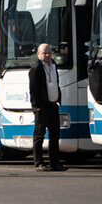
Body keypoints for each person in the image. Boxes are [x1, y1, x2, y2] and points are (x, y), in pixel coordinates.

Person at [29, 43, 67, 171]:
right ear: (38, 54)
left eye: (49, 53)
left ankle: (54, 162)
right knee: (39, 135)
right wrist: (36, 106)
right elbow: (33, 90)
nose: (47, 55)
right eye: (44, 53)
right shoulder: (36, 68)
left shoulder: (53, 65)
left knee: (55, 134)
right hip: (41, 107)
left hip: (53, 105)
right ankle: (39, 162)